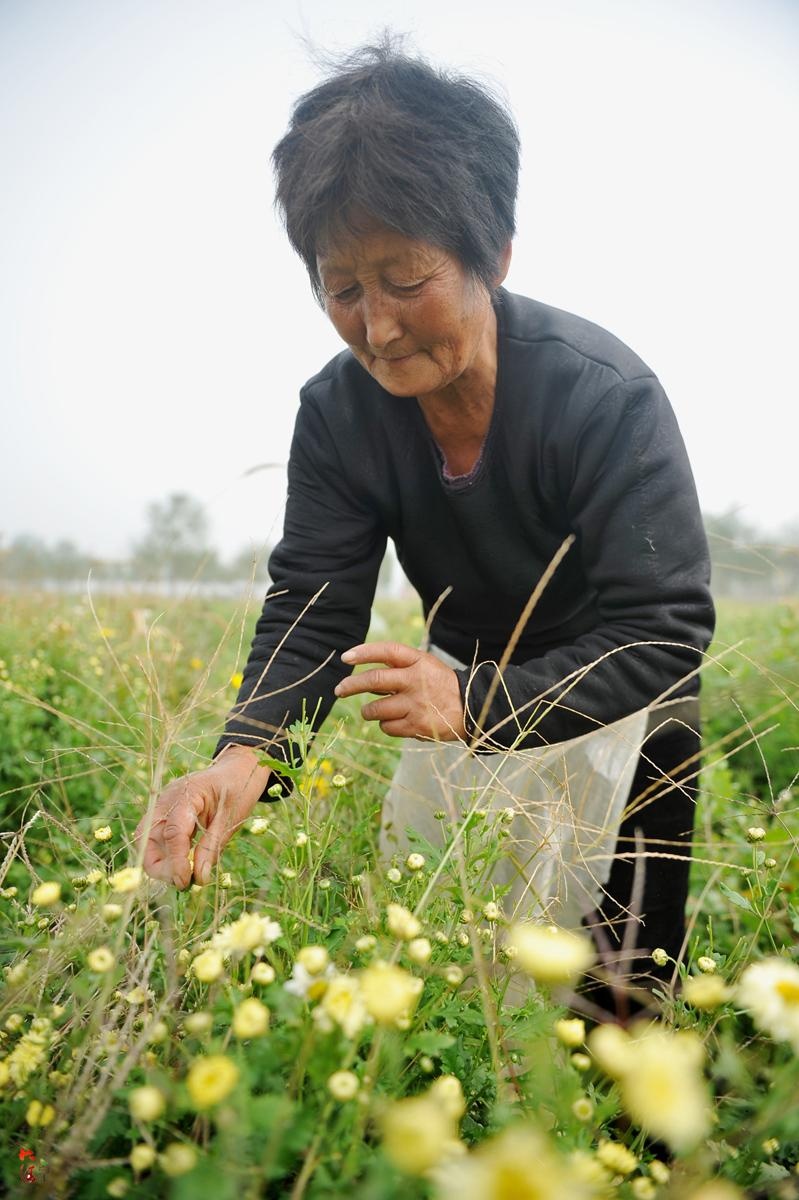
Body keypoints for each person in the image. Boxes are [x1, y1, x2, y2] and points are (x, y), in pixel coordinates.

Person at [136, 39, 715, 1015]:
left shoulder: (602, 397)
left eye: (405, 281)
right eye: (342, 287)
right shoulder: (339, 413)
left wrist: (480, 702)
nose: (377, 327)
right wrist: (245, 757)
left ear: (494, 255)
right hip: (461, 701)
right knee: (439, 977)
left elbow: (664, 628)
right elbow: (314, 609)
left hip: (617, 709)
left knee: (613, 1002)